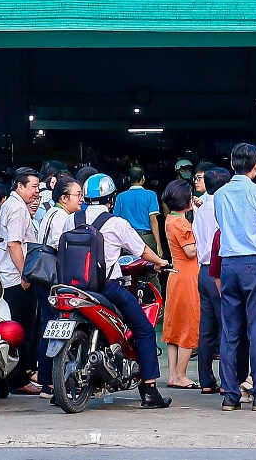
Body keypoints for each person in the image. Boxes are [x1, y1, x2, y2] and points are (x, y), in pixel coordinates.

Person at [60, 173, 173, 408]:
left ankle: (57, 388)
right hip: (106, 288)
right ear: (111, 199)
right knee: (143, 330)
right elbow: (142, 250)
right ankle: (150, 391)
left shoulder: (71, 220)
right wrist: (160, 262)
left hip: (72, 288)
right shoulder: (116, 223)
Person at [212, 142, 256, 411]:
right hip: (255, 264)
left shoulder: (219, 195)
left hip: (228, 265)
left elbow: (221, 226)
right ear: (255, 167)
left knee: (230, 332)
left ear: (232, 165)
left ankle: (230, 395)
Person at [0, 167, 43, 394]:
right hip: (16, 279)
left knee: (14, 328)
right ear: (20, 186)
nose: (37, 191)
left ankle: (9, 378)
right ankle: (19, 380)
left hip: (10, 277)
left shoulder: (12, 206)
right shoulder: (17, 209)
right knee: (20, 330)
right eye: (33, 186)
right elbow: (14, 244)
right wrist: (26, 274)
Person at [35, 176, 82, 395]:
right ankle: (52, 382)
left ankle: (47, 381)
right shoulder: (62, 216)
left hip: (41, 277)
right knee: (57, 329)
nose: (81, 200)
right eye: (77, 195)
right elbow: (57, 245)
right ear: (64, 198)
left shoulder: (49, 213)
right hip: (53, 278)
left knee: (48, 328)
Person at [162, 179, 201, 388]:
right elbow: (191, 251)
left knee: (174, 327)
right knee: (188, 325)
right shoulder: (182, 223)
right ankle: (181, 375)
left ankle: (172, 374)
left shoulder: (170, 219)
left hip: (175, 274)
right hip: (188, 275)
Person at [193, 165, 228, 394]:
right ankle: (228, 381)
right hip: (219, 270)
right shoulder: (223, 208)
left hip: (203, 270)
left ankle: (206, 381)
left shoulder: (200, 208)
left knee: (206, 329)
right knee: (227, 327)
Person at [115, 165, 163, 254]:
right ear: (143, 178)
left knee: (130, 265)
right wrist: (158, 244)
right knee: (151, 266)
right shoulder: (151, 195)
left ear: (129, 178)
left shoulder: (120, 197)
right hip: (147, 238)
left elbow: (117, 222)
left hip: (128, 239)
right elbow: (153, 220)